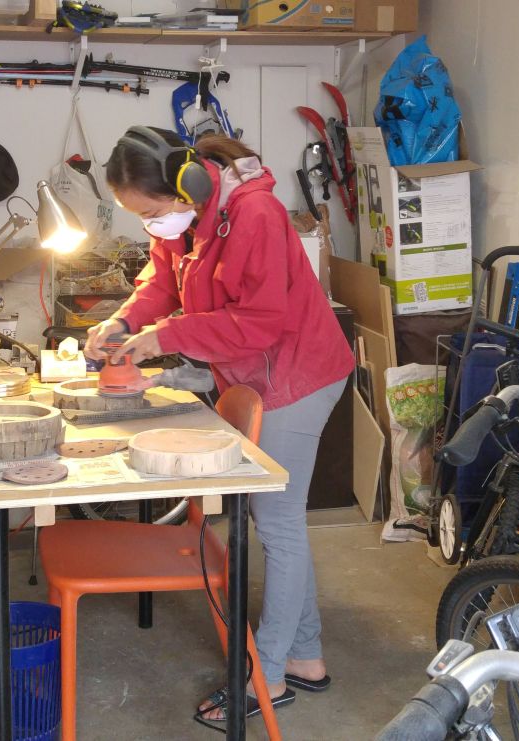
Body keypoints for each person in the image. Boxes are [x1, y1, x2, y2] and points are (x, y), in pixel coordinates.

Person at [85, 126, 355, 725]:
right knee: (279, 522)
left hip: (297, 374)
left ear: (186, 186)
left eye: (151, 212)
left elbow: (260, 321)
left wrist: (165, 337)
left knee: (276, 524)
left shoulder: (254, 215)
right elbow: (161, 282)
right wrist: (123, 323)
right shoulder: (184, 221)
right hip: (255, 372)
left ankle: (268, 675)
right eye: (142, 217)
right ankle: (306, 658)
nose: (151, 225)